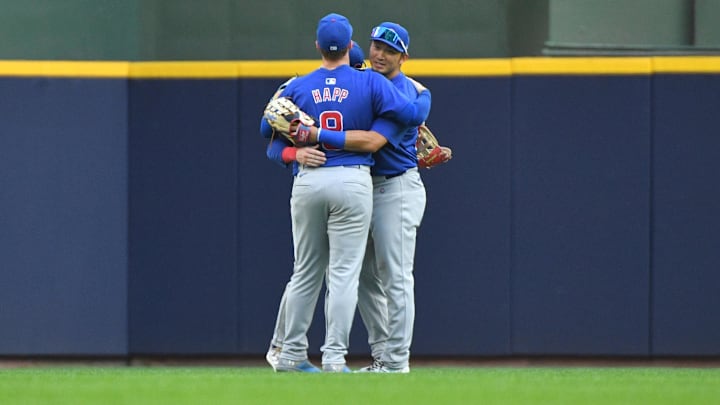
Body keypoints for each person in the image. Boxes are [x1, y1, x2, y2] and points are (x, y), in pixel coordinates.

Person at [266, 22, 451, 373]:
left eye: (390, 50)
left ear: (404, 57)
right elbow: (273, 130)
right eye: (377, 46)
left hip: (394, 187)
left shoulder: (410, 91)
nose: (380, 54)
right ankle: (380, 354)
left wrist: (315, 132)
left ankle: (396, 361)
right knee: (362, 276)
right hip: (361, 188)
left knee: (394, 276)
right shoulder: (364, 81)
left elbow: (375, 142)